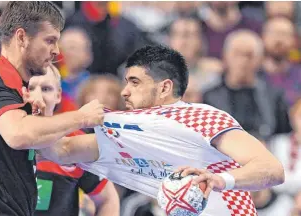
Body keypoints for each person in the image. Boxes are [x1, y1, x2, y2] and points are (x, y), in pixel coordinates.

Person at [31, 45, 285, 216]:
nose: (124, 92)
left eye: (135, 82)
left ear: (164, 88)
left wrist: (220, 180)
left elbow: (272, 170)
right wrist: (43, 112)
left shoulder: (202, 117)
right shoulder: (125, 133)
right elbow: (61, 150)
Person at [0, 2, 104, 216]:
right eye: (50, 40)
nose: (56, 51)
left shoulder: (10, 84)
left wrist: (128, 141)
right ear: (22, 37)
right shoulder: (1, 78)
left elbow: (61, 149)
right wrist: (81, 117)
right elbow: (19, 134)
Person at [22, 65, 119, 216]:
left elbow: (108, 200)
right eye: (30, 88)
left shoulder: (76, 141)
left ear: (58, 95)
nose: (38, 97)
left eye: (46, 89)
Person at [203, 30, 291, 140]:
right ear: (225, 57)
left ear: (260, 60)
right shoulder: (210, 98)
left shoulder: (274, 97)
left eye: (249, 55)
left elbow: (283, 137)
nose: (243, 61)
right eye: (237, 54)